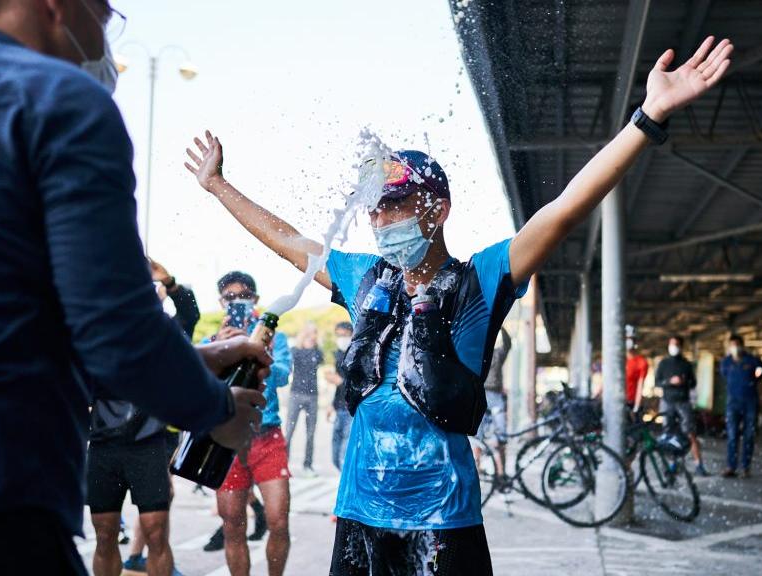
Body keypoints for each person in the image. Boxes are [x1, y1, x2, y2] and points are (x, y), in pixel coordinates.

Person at [184, 34, 732, 574]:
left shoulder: (482, 279)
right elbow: (288, 240)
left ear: (438, 208)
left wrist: (647, 118)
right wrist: (218, 185)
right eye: (373, 209)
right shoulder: (364, 278)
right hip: (360, 515)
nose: (380, 219)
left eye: (395, 204)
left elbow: (565, 209)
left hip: (444, 521)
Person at [0, 2, 268, 574]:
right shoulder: (57, 99)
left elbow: (14, 329)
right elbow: (117, 334)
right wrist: (217, 410)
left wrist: (200, 358)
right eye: (107, 15)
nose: (106, 35)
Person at [90, 260, 197, 576]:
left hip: (148, 445)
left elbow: (190, 314)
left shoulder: (165, 335)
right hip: (103, 446)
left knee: (156, 533)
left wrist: (169, 282)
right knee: (105, 535)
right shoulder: (97, 333)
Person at [202, 271, 293, 576]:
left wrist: (256, 348)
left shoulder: (273, 336)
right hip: (226, 442)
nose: (236, 302)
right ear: (221, 302)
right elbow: (198, 382)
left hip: (266, 436)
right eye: (229, 297)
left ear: (255, 299)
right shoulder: (212, 341)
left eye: (243, 296)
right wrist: (221, 347)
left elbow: (282, 376)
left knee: (279, 521)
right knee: (232, 525)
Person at [655, 336, 708, 476]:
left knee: (690, 432)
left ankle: (699, 464)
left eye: (676, 344)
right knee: (668, 434)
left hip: (683, 401)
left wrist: (683, 382)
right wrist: (669, 382)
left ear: (681, 346)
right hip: (667, 401)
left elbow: (693, 383)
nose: (674, 347)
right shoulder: (664, 363)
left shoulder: (686, 364)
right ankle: (672, 464)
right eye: (672, 344)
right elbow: (657, 382)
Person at [719, 334, 762, 478]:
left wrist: (756, 379)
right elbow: (724, 375)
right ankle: (731, 466)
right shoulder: (726, 362)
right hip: (732, 403)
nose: (735, 347)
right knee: (732, 435)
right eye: (732, 345)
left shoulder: (751, 359)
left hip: (750, 402)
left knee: (749, 435)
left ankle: (746, 467)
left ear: (742, 345)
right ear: (729, 347)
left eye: (737, 344)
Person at [286, 324, 325, 476]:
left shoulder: (317, 352)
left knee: (310, 432)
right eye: (309, 333)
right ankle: (284, 465)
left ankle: (307, 465)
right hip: (296, 394)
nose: (311, 336)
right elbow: (290, 365)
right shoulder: (295, 351)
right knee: (289, 431)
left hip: (312, 396)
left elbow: (320, 359)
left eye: (314, 333)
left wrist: (314, 344)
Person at [477, 327, 512, 474]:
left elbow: (507, 343)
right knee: (477, 436)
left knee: (501, 437)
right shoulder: (476, 354)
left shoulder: (498, 354)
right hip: (481, 396)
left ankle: (501, 473)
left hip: (495, 397)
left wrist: (499, 325)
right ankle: (477, 468)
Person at [326, 322, 355, 472]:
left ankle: (346, 482)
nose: (341, 338)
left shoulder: (357, 354)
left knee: (345, 453)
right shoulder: (338, 354)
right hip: (339, 408)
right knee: (335, 455)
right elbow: (338, 386)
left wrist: (342, 382)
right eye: (339, 335)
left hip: (352, 410)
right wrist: (332, 404)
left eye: (345, 335)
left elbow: (360, 384)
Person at [625, 338, 649, 414]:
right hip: (616, 401)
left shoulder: (641, 362)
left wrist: (637, 406)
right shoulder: (618, 361)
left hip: (631, 401)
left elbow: (640, 385)